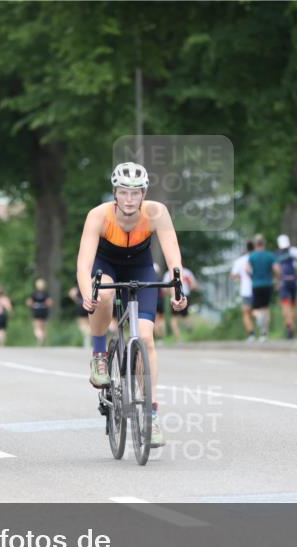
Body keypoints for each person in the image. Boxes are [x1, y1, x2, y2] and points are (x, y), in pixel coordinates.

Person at [77, 161, 188, 448]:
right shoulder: (98, 216)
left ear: (144, 194)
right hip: (106, 266)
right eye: (123, 192)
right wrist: (87, 292)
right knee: (103, 295)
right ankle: (100, 354)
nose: (129, 199)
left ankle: (150, 414)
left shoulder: (156, 213)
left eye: (135, 193)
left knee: (147, 339)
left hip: (140, 268)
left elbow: (173, 255)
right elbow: (83, 263)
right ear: (114, 193)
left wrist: (178, 287)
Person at [246, 234, 278, 342]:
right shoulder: (270, 255)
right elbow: (276, 269)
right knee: (265, 308)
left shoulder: (252, 256)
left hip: (256, 284)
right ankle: (264, 334)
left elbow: (247, 269)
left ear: (256, 244)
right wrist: (276, 278)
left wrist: (252, 277)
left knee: (256, 309)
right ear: (264, 243)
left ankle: (259, 317)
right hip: (267, 284)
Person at [274, 234, 297, 339]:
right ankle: (292, 328)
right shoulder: (294, 251)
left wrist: (277, 282)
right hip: (294, 281)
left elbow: (276, 270)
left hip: (284, 282)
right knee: (294, 305)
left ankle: (289, 326)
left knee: (285, 306)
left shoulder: (277, 255)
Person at [163, 266, 199, 340]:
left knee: (174, 318)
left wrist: (170, 292)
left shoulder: (168, 273)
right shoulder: (187, 272)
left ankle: (178, 337)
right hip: (185, 295)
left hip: (175, 296)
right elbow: (193, 285)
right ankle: (190, 332)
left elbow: (164, 289)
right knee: (185, 316)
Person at [230, 241, 255, 341]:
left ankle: (251, 334)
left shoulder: (240, 260)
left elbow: (233, 275)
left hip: (246, 290)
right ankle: (263, 332)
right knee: (259, 309)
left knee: (246, 313)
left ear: (246, 249)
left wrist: (241, 276)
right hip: (258, 288)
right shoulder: (258, 258)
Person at [26, 279, 52, 345]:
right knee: (44, 327)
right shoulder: (46, 293)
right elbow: (49, 302)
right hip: (44, 310)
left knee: (36, 327)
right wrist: (45, 306)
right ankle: (43, 339)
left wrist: (33, 306)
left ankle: (40, 337)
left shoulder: (34, 293)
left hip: (36, 310)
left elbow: (29, 302)